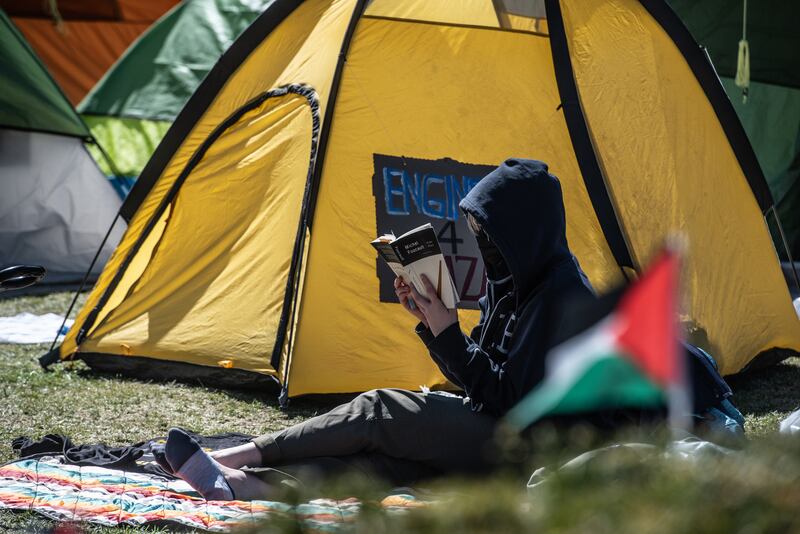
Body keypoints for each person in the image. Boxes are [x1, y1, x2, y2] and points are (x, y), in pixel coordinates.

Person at [159, 158, 595, 500]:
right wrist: (435, 325)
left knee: (380, 409)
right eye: (478, 230)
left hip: (525, 451)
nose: (484, 243)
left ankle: (239, 454)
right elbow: (479, 375)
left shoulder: (562, 299)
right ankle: (247, 484)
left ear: (522, 231)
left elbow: (514, 403)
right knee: (385, 462)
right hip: (488, 430)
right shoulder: (510, 281)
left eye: (489, 232)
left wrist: (448, 335)